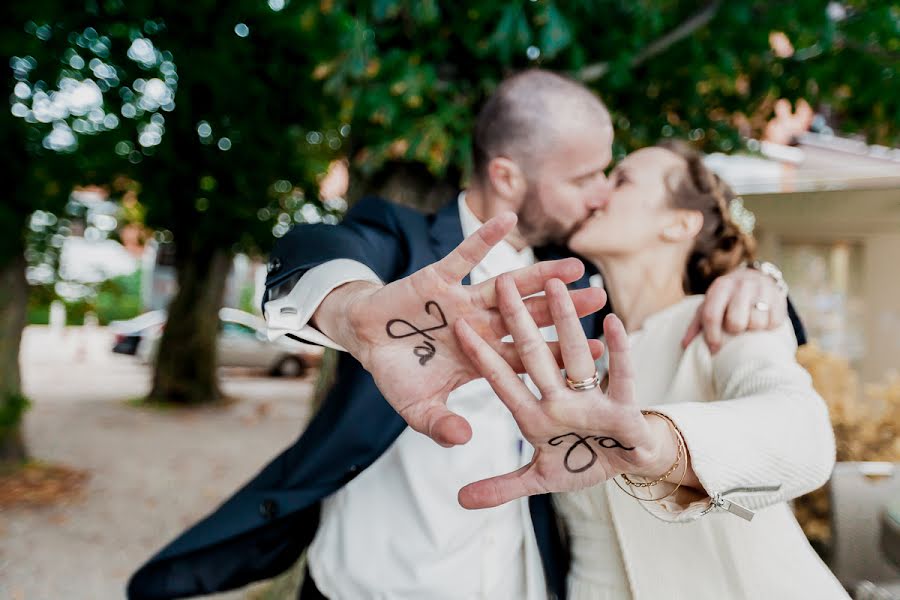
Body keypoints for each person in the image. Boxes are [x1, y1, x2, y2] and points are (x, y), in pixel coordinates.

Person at [127, 71, 795, 600]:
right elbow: (312, 247)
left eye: (609, 175)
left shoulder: (589, 275)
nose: (599, 195)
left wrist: (760, 282)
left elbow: (690, 307)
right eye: (585, 177)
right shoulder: (403, 242)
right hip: (366, 586)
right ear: (507, 176)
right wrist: (354, 308)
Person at [453, 141, 848, 599]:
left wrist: (658, 446)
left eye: (622, 180)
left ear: (679, 223)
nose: (599, 192)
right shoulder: (577, 356)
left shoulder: (722, 320)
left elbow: (801, 434)